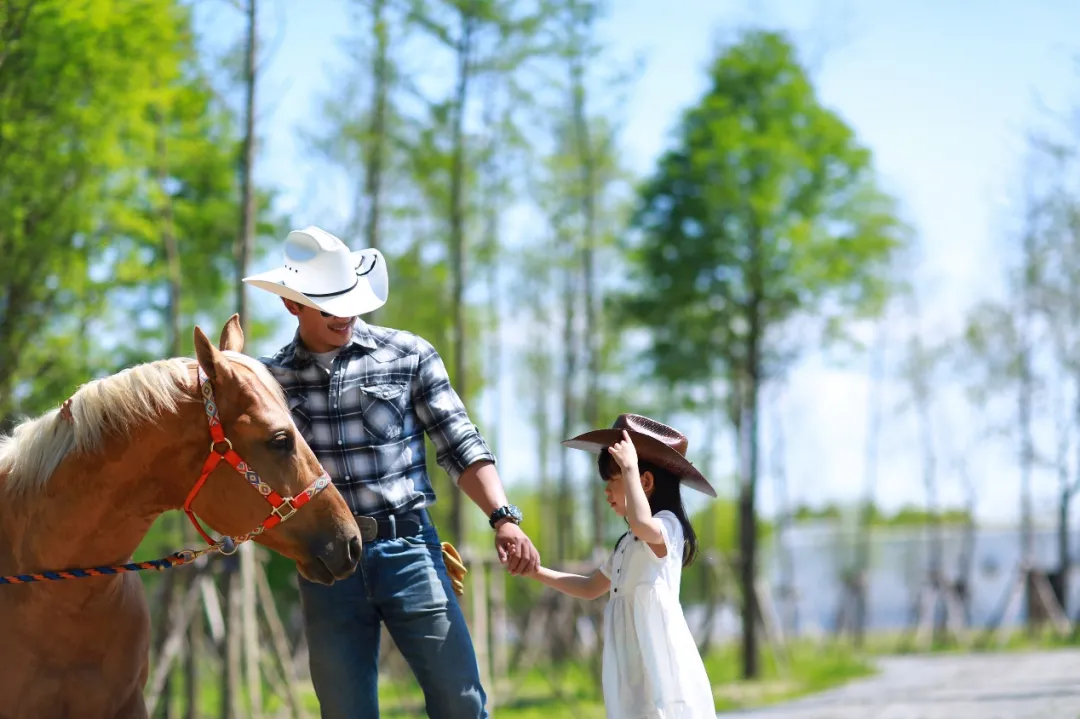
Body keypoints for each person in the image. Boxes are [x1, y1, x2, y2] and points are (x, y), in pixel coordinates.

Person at [243, 226, 540, 719]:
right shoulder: (271, 381)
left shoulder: (407, 355)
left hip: (409, 551)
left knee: (460, 700)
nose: (347, 314)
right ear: (293, 306)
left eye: (351, 299)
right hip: (326, 563)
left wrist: (503, 517)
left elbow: (460, 443)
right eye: (329, 305)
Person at [526, 413, 717, 719]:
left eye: (612, 480)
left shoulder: (666, 528)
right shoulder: (628, 544)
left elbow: (643, 522)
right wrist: (536, 571)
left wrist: (629, 467)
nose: (606, 491)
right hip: (631, 672)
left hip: (659, 669)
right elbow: (589, 587)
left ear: (645, 481)